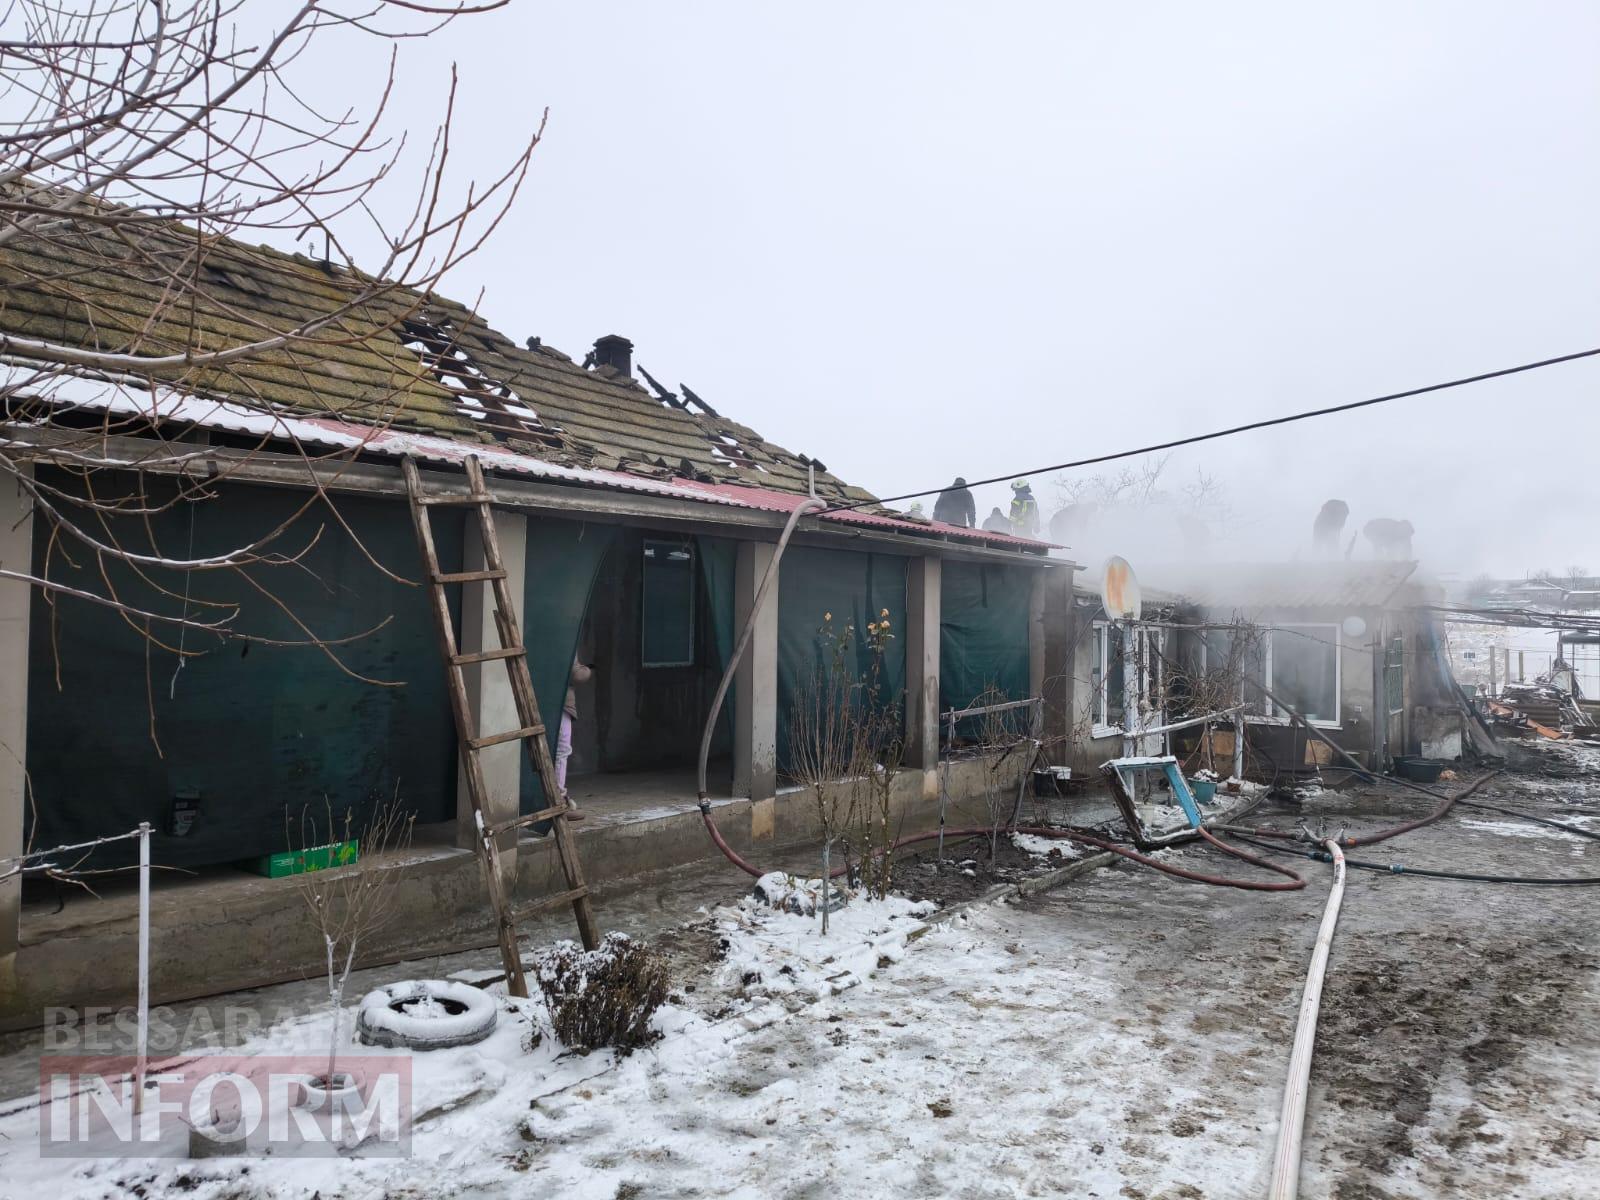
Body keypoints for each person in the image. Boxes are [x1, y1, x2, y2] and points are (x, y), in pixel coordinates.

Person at [556, 659, 592, 819]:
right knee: (560, 750)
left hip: (540, 697)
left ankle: (554, 798)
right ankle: (558, 800)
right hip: (560, 702)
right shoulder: (561, 643)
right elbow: (576, 674)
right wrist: (587, 670)